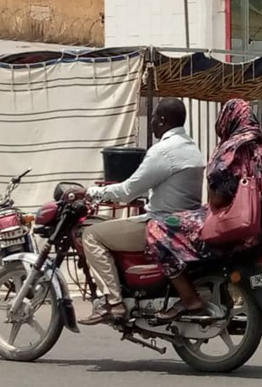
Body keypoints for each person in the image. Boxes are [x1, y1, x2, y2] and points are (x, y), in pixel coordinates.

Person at [145, 98, 262, 321]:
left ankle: (189, 298)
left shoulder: (233, 149)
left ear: (228, 119)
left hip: (239, 227)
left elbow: (218, 198)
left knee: (157, 228)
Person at [80, 98, 205, 326]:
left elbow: (127, 190)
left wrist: (91, 192)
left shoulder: (163, 151)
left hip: (161, 225)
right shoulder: (191, 147)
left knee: (92, 234)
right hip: (184, 222)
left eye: (155, 117)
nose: (153, 122)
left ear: (163, 120)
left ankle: (113, 303)